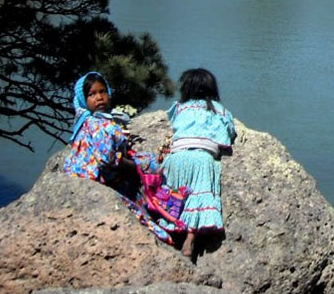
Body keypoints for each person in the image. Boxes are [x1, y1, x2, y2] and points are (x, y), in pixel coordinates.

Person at [62, 71, 173, 244]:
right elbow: (108, 161)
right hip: (98, 183)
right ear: (83, 100)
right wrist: (134, 166)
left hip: (80, 179)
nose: (99, 98)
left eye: (102, 92)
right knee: (148, 166)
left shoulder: (85, 123)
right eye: (92, 94)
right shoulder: (100, 125)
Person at [160, 68, 237, 257]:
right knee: (199, 194)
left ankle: (169, 226)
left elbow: (173, 123)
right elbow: (229, 131)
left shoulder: (179, 107)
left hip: (177, 156)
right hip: (203, 157)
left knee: (174, 193)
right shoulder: (218, 109)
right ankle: (190, 237)